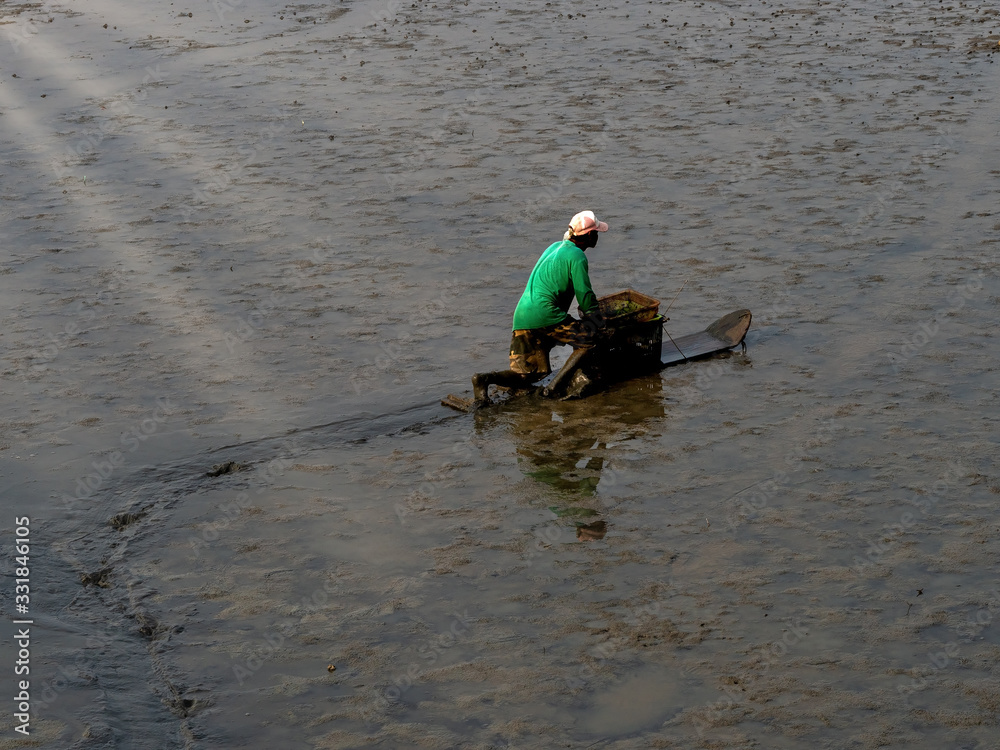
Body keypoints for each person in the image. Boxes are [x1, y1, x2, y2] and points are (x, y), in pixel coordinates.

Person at [472, 210, 610, 407]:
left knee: (529, 374)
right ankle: (553, 388)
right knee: (588, 341)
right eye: (596, 232)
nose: (597, 236)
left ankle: (484, 379)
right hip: (546, 314)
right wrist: (596, 318)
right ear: (589, 235)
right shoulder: (577, 256)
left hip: (523, 315)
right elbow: (585, 294)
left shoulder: (554, 247)